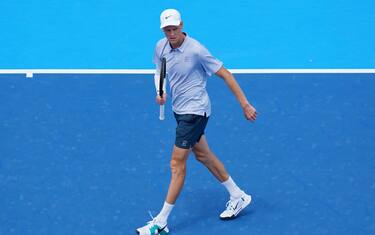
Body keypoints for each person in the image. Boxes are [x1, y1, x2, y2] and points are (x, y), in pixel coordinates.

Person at [136, 9, 257, 235]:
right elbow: (158, 70)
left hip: (196, 112)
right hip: (179, 110)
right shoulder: (160, 46)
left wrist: (245, 104)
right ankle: (238, 195)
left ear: (181, 25)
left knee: (176, 164)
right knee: (202, 154)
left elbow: (226, 74)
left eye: (174, 28)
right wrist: (160, 91)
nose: (171, 33)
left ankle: (160, 222)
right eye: (167, 30)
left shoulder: (197, 50)